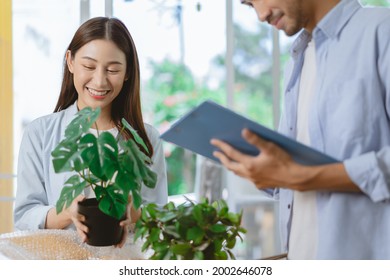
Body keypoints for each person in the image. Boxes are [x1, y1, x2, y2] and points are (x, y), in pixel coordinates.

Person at [211, 0, 390, 259]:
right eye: (250, 5)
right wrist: (266, 171)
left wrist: (302, 177)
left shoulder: (381, 31)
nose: (261, 15)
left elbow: (300, 175)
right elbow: (293, 178)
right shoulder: (299, 58)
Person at [14, 17, 168, 247]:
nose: (99, 80)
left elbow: (159, 216)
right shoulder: (39, 133)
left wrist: (132, 213)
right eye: (89, 66)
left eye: (113, 70)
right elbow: (24, 216)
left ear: (127, 73)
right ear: (70, 61)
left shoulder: (147, 138)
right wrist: (66, 213)